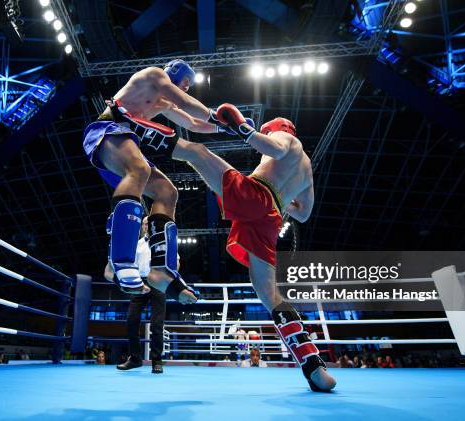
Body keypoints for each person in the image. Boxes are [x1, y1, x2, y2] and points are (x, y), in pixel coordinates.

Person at [171, 105, 336, 392]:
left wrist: (245, 131)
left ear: (276, 130)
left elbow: (276, 149)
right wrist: (286, 200)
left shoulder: (288, 140)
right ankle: (313, 365)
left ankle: (135, 133)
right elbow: (304, 213)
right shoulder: (307, 170)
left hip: (256, 195)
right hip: (271, 218)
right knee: (268, 293)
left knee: (196, 152)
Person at [83, 59, 244, 303]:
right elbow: (186, 103)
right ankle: (121, 260)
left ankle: (159, 270)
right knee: (139, 170)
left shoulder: (163, 103)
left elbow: (192, 123)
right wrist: (218, 116)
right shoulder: (154, 74)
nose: (187, 88)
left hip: (126, 142)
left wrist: (230, 129)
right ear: (176, 73)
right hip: (106, 132)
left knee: (167, 193)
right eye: (187, 82)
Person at [111, 216, 167, 374]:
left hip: (158, 282)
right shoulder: (137, 245)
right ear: (141, 227)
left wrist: (168, 278)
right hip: (140, 282)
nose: (146, 226)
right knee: (132, 319)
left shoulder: (162, 242)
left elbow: (175, 261)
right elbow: (130, 266)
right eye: (144, 223)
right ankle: (135, 358)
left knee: (157, 323)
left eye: (148, 223)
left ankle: (157, 361)